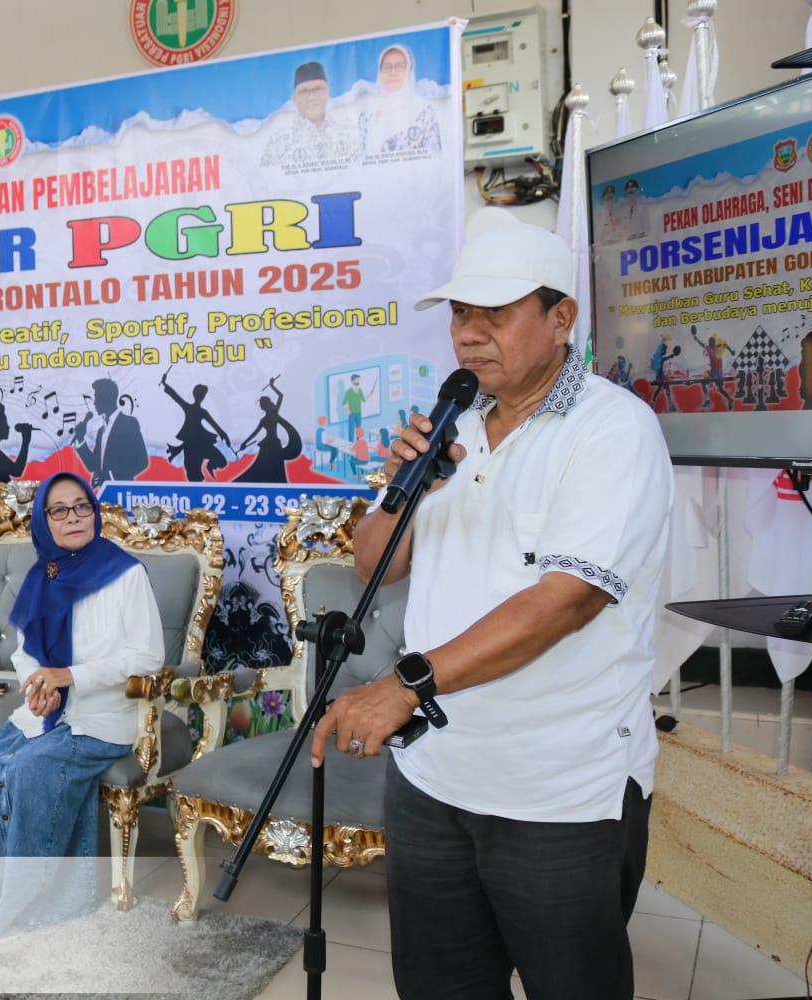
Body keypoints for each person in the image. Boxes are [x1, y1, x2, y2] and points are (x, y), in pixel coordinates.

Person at [315, 223, 671, 999]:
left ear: (560, 318)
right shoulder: (454, 426)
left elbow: (563, 602)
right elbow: (374, 566)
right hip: (432, 778)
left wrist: (405, 684)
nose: (468, 334)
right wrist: (404, 490)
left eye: (494, 313)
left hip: (559, 790)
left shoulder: (613, 429)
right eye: (458, 313)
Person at [0, 473, 164, 940]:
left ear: (94, 512)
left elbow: (148, 656)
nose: (73, 517)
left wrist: (70, 677)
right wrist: (40, 685)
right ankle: (2, 886)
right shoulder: (43, 576)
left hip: (103, 715)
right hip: (48, 711)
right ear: (43, 520)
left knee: (32, 768)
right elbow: (25, 651)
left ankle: (30, 899)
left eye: (81, 507)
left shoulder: (126, 573)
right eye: (59, 510)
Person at [260, 61, 360, 168]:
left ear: (328, 92)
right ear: (294, 98)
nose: (312, 96)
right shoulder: (279, 142)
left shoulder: (348, 132)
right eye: (304, 91)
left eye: (318, 89)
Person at [359, 43, 442, 155]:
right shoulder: (368, 113)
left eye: (399, 66)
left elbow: (435, 157)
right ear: (380, 72)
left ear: (409, 70)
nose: (393, 72)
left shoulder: (424, 111)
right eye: (387, 67)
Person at [74, 378, 147, 487]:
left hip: (123, 491)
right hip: (104, 492)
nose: (94, 403)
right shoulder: (101, 431)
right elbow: (93, 465)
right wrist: (81, 439)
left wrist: (110, 476)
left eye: (97, 398)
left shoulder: (129, 423)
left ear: (106, 399)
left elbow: (141, 461)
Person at [161, 367, 230, 481]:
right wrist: (164, 384)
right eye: (201, 394)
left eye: (203, 395)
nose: (202, 397)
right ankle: (202, 476)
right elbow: (175, 396)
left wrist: (224, 435)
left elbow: (215, 426)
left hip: (201, 443)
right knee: (193, 472)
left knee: (221, 462)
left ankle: (210, 466)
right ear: (197, 395)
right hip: (191, 445)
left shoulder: (200, 411)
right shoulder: (189, 408)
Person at [235, 376, 303, 482]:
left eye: (262, 405)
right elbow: (255, 433)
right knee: (264, 466)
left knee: (274, 467)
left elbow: (281, 396)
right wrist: (244, 442)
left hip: (271, 445)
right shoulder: (268, 417)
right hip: (270, 444)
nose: (262, 407)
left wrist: (272, 385)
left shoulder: (273, 413)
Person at [341, 372, 366, 438]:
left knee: (359, 430)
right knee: (351, 431)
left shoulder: (360, 391)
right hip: (351, 413)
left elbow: (364, 400)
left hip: (358, 413)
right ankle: (350, 443)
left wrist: (370, 394)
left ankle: (359, 443)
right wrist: (348, 411)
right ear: (352, 381)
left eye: (358, 380)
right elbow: (344, 403)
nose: (358, 381)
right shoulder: (349, 392)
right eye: (356, 380)